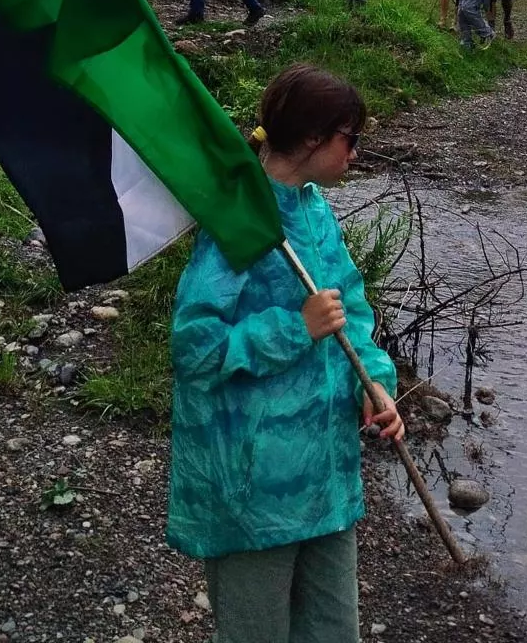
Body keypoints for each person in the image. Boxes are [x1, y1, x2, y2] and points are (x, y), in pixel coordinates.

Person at [166, 64, 402, 643]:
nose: (357, 154)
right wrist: (295, 328)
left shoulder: (313, 210)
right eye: (352, 139)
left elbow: (352, 311)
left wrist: (372, 383)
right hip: (252, 489)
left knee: (331, 631)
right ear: (316, 138)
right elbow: (195, 348)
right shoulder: (238, 221)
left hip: (325, 478)